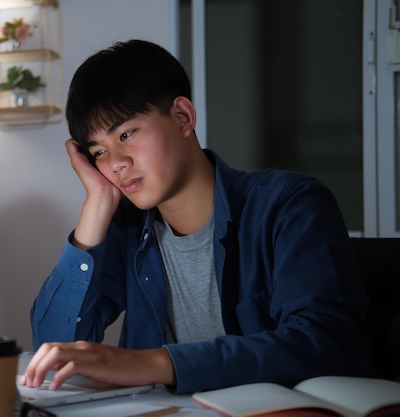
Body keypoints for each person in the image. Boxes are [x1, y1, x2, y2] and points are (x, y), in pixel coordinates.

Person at [19, 39, 369, 394]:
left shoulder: (289, 206)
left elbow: (326, 343)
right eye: (98, 152)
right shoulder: (126, 226)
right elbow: (53, 347)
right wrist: (95, 205)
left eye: (126, 134)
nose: (115, 163)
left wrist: (157, 363)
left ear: (182, 117)